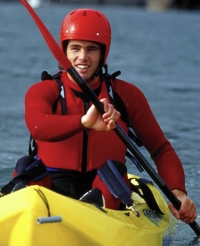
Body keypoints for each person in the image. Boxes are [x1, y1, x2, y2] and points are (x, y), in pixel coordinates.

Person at [11, 8, 196, 223]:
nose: (82, 57)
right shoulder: (44, 91)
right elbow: (37, 127)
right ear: (64, 52)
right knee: (25, 166)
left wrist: (179, 193)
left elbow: (161, 149)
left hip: (105, 191)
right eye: (75, 48)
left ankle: (93, 213)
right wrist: (83, 122)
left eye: (91, 49)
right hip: (50, 188)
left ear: (102, 54)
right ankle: (21, 219)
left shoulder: (125, 95)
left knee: (114, 171)